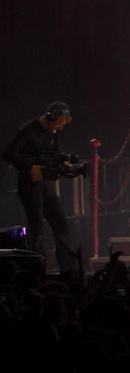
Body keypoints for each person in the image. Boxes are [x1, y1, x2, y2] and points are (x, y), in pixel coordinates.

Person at [4, 100, 81, 270]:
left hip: (46, 183)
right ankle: (37, 268)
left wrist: (63, 163)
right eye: (59, 123)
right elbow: (9, 154)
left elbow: (55, 154)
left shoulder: (52, 133)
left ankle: (68, 268)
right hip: (30, 184)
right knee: (37, 225)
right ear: (50, 117)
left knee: (60, 223)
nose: (60, 127)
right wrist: (30, 167)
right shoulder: (29, 131)